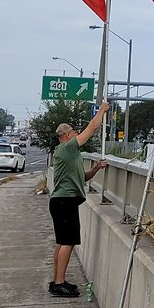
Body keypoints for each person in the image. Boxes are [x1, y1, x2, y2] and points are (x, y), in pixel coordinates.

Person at [48, 100, 110, 297]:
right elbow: (92, 128)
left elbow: (81, 178)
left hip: (61, 201)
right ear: (67, 135)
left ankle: (57, 280)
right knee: (68, 242)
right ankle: (59, 284)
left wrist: (95, 169)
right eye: (74, 132)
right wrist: (102, 110)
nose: (77, 134)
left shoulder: (67, 154)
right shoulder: (67, 148)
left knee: (62, 242)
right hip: (65, 202)